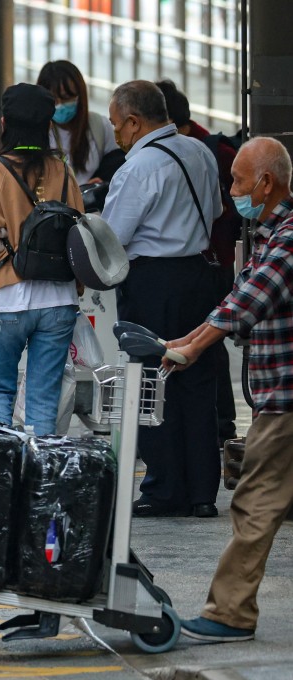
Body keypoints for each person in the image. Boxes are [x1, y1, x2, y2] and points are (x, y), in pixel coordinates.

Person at [161, 137, 293, 643]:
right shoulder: (268, 232)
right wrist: (188, 340)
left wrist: (193, 349)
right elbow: (237, 296)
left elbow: (247, 305)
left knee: (254, 502)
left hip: (285, 400)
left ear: (265, 183)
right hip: (276, 396)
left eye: (238, 180)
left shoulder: (287, 238)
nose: (232, 191)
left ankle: (230, 613)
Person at [101, 80, 223, 518]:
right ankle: (202, 491)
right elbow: (214, 213)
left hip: (152, 281)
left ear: (134, 122)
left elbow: (113, 238)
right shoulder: (200, 152)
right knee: (197, 380)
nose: (115, 134)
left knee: (151, 383)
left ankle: (163, 487)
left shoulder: (137, 168)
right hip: (196, 276)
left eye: (117, 125)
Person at [0, 83, 84, 436]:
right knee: (44, 399)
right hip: (59, 299)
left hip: (10, 297)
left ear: (4, 123)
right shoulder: (63, 169)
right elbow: (80, 232)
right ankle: (39, 484)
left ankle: (1, 477)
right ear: (47, 126)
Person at [156, 78, 243, 447]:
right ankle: (215, 424)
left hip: (214, 262)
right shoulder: (203, 149)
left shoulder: (213, 152)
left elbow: (224, 209)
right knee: (203, 343)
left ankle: (221, 422)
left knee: (208, 343)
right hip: (206, 261)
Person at [37, 60, 122, 185]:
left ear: (80, 95)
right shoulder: (36, 130)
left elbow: (117, 164)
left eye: (66, 97)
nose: (59, 105)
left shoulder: (99, 126)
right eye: (53, 100)